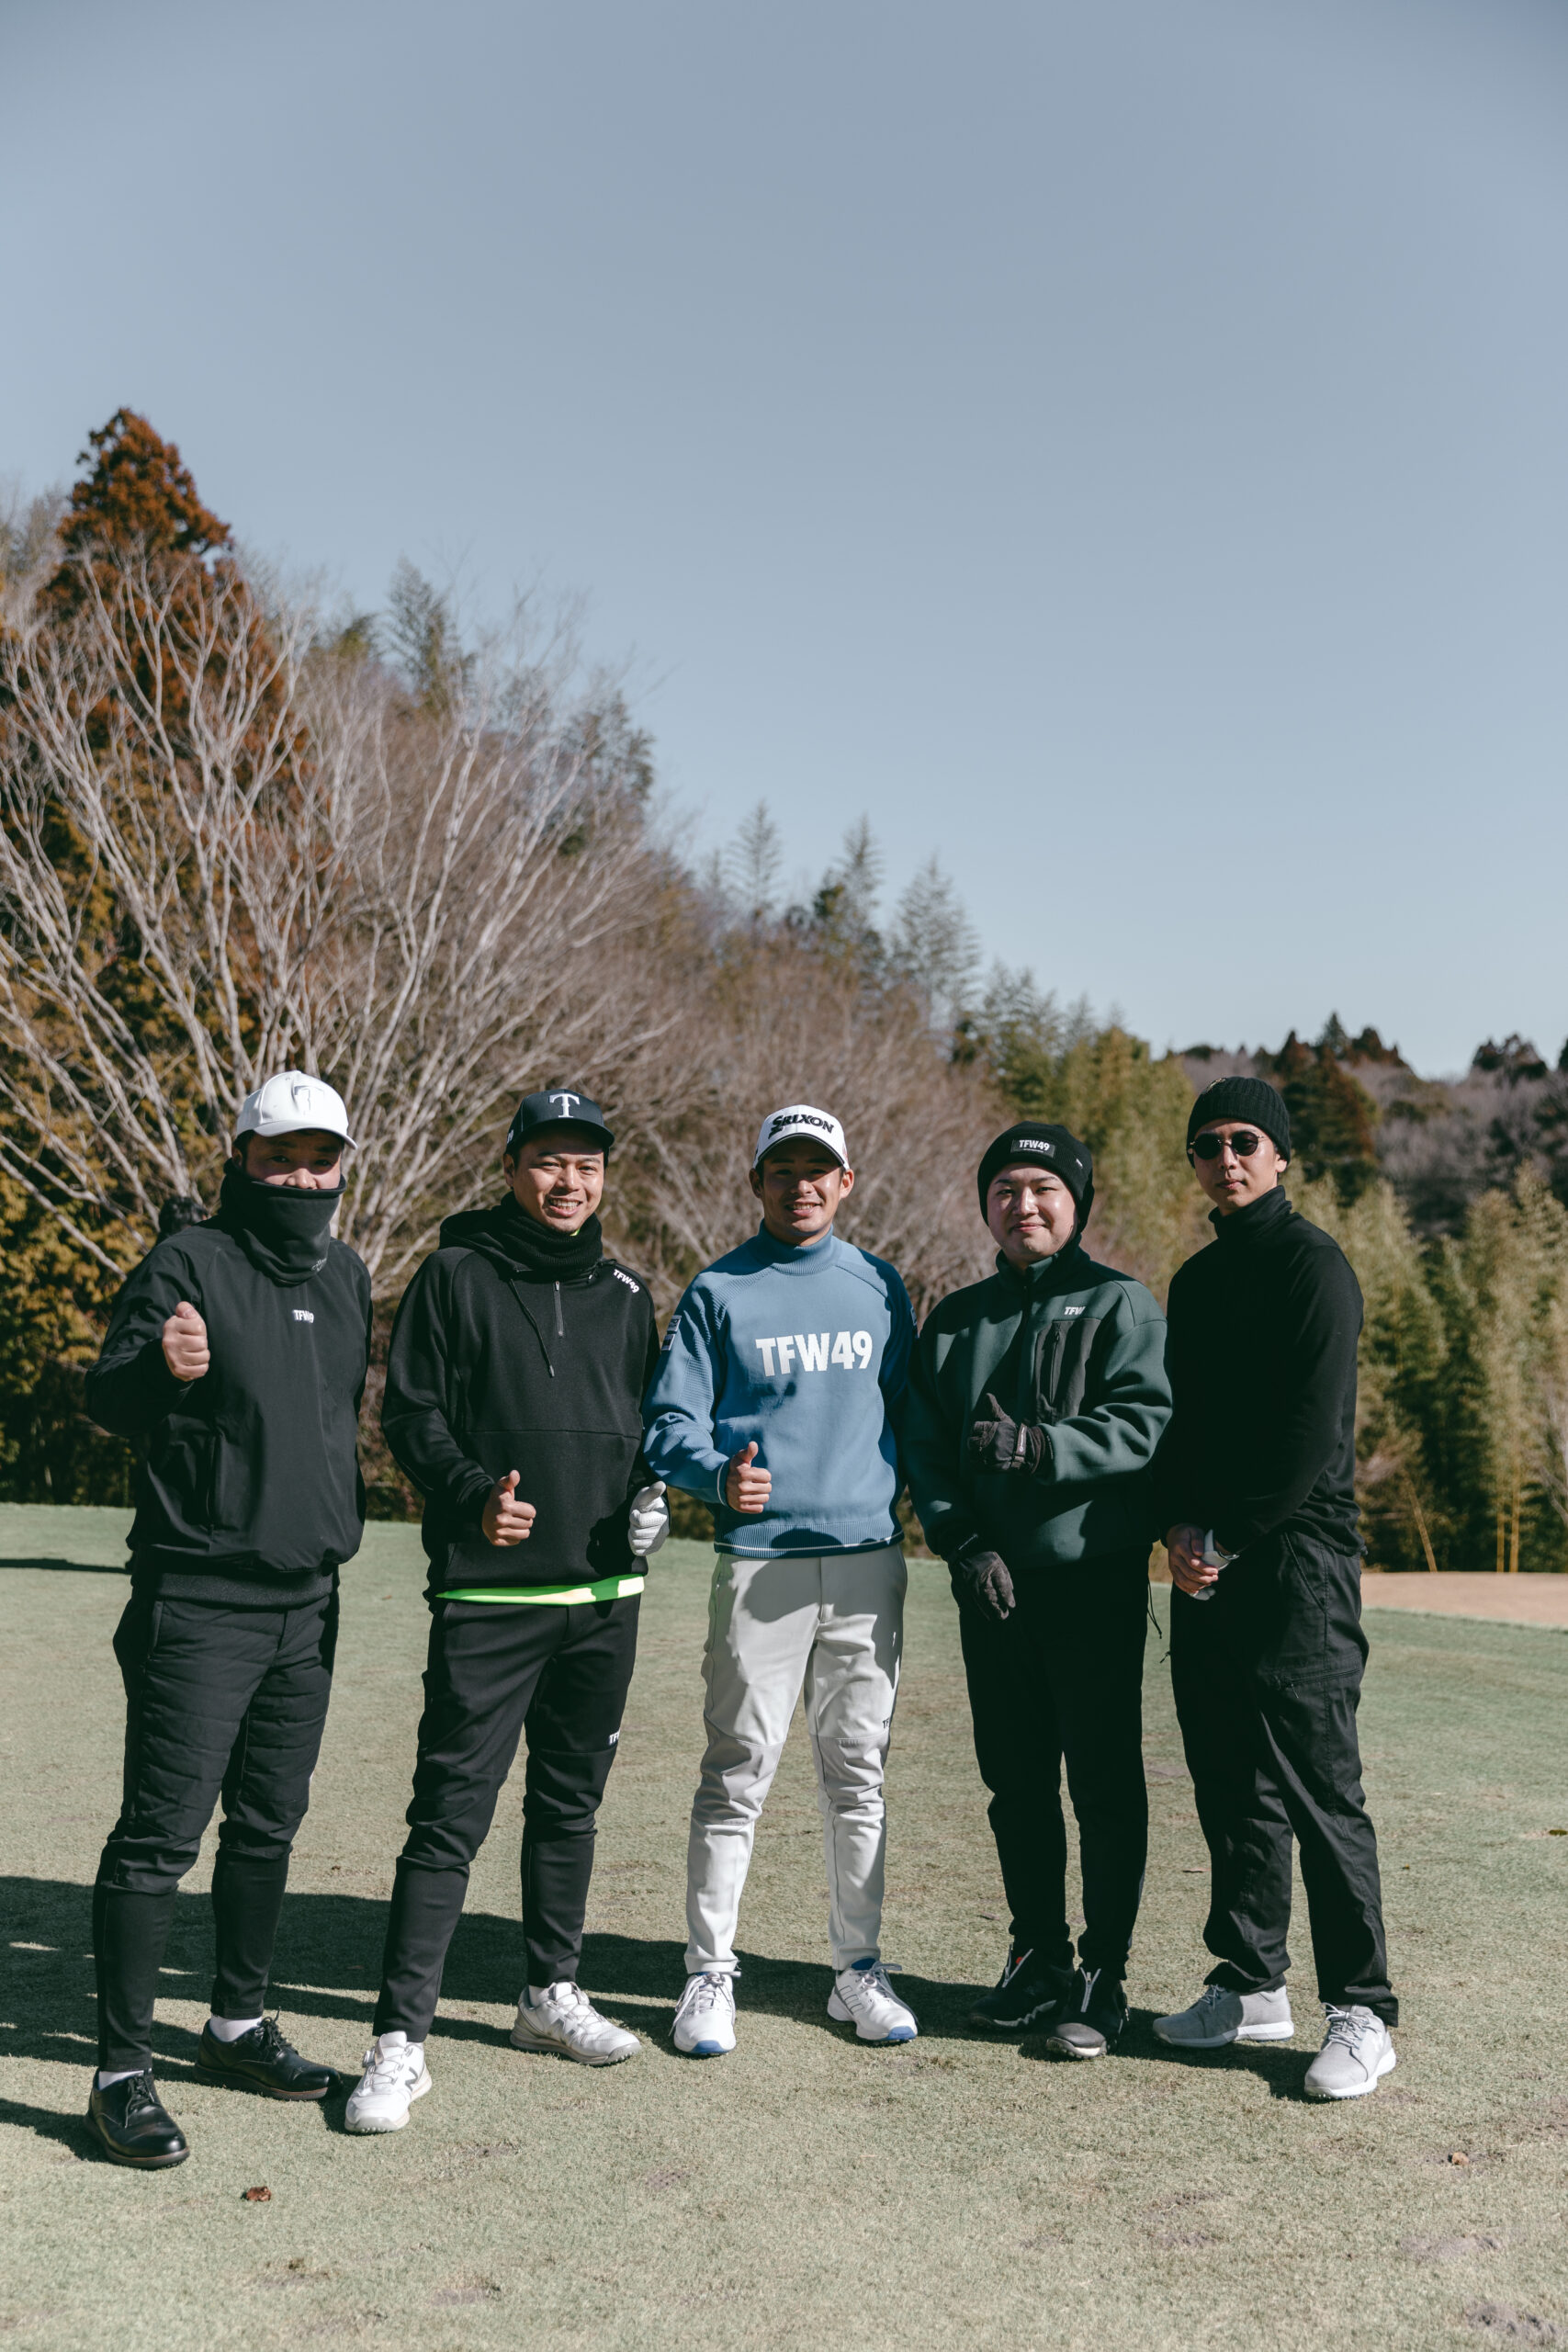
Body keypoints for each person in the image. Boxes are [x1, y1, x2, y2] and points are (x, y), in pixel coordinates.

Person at [345, 1089, 666, 2133]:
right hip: (489, 1595)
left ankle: (548, 1995)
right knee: (448, 1817)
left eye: (587, 1164)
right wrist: (473, 1491)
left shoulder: (630, 1292)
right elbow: (411, 1413)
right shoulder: (454, 1274)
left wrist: (655, 1498)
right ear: (512, 1167)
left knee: (569, 1809)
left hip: (604, 1596)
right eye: (548, 1161)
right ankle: (399, 2040)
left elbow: (647, 1425)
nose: (569, 1182)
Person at [84, 1073, 370, 2168]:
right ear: (241, 1160)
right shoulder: (186, 1263)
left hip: (309, 1604)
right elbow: (107, 1399)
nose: (300, 1175)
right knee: (160, 1838)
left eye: (319, 1157)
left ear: (340, 1167)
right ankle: (119, 2075)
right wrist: (162, 1368)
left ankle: (237, 2026)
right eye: (278, 1155)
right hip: (199, 1600)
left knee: (266, 1827)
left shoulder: (348, 1275)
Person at [643, 1103, 917, 2057]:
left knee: (857, 1773)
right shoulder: (718, 1289)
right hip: (760, 1565)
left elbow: (909, 1414)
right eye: (783, 1169)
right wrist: (715, 1474)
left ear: (846, 1182)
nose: (801, 1184)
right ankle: (709, 1972)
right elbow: (668, 1425)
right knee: (737, 1770)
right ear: (756, 1181)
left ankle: (857, 1971)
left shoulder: (880, 1286)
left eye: (817, 1169)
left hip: (867, 1559)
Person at [1151, 1075, 1397, 2101]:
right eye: (1208, 1144)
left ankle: (1363, 2010)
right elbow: (1177, 1424)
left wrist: (1222, 1533)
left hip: (1298, 1565)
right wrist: (1176, 1528)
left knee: (1319, 1790)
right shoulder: (1197, 1281)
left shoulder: (1314, 1267)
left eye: (1245, 1140)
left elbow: (1307, 1435)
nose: (1226, 1158)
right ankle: (1251, 1983)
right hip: (1207, 1564)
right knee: (1231, 1784)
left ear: (1281, 1154)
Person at [903, 1122, 1170, 2059]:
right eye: (1006, 1189)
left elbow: (1146, 1424)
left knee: (1102, 1784)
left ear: (1077, 1201)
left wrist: (1042, 1446)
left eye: (1043, 1188)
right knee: (1015, 1784)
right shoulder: (955, 1320)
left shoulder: (1119, 1303)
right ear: (986, 1205)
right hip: (992, 1590)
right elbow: (925, 1448)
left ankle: (1103, 1973)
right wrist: (963, 1542)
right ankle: (1038, 1958)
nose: (1024, 1205)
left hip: (1092, 1584)